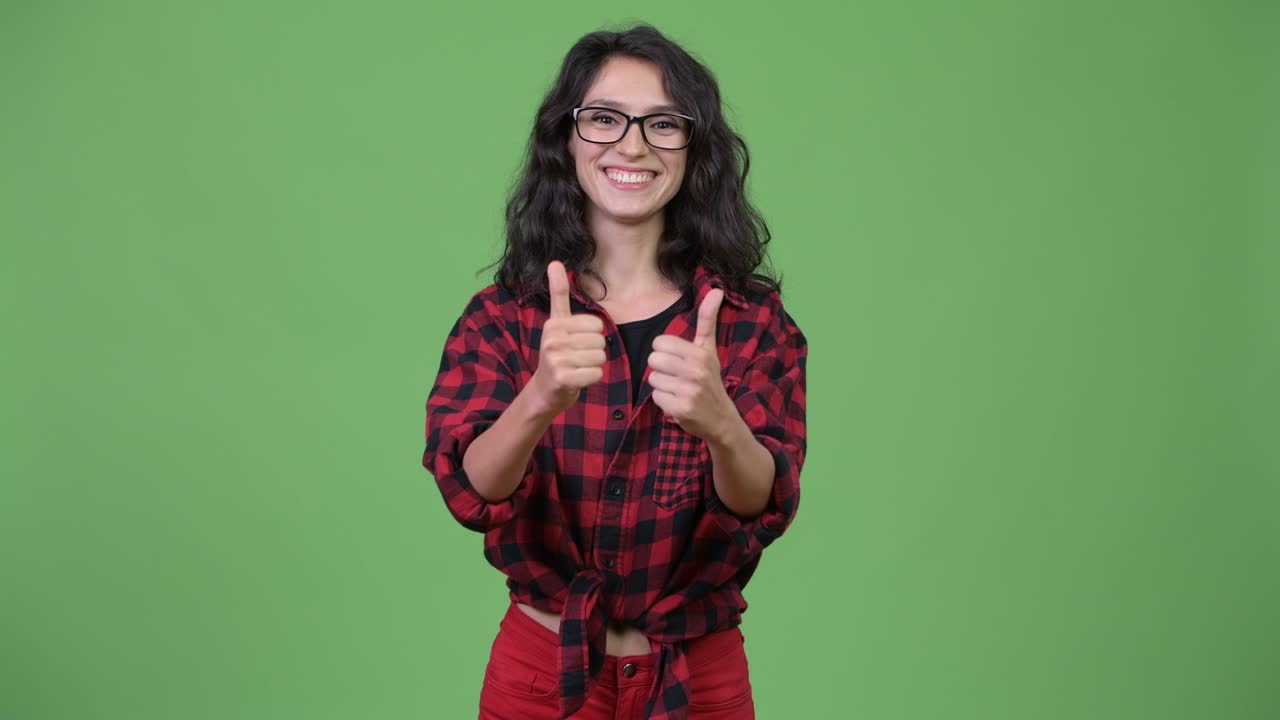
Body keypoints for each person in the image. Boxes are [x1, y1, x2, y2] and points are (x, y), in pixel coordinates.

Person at [423, 24, 807, 720]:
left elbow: (763, 507)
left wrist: (722, 425)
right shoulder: (503, 317)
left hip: (700, 673)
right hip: (546, 672)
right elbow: (469, 492)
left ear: (695, 149)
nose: (632, 146)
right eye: (604, 119)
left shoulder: (749, 321)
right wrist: (539, 397)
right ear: (565, 139)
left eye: (663, 124)